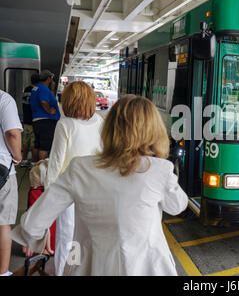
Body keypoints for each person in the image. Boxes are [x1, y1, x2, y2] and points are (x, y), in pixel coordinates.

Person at [11, 95, 188, 276]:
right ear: (155, 132)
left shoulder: (80, 168)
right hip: (148, 269)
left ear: (109, 129)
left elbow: (32, 224)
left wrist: (35, 240)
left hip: (90, 268)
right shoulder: (159, 169)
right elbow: (177, 206)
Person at [22, 81, 104, 276]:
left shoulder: (65, 125)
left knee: (66, 239)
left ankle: (62, 273)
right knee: (85, 239)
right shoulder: (99, 122)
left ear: (69, 101)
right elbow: (102, 155)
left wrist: (48, 198)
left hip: (68, 193)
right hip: (93, 190)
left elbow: (56, 165)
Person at [0, 89, 22, 276]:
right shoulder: (4, 100)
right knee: (3, 223)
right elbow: (12, 134)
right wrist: (18, 156)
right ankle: (2, 271)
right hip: (2, 169)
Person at [30, 70, 60, 160]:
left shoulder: (36, 88)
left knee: (37, 145)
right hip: (46, 121)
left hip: (37, 120)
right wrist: (49, 110)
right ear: (48, 78)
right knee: (45, 146)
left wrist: (52, 89)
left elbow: (45, 97)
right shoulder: (43, 88)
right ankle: (42, 169)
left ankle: (34, 164)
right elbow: (43, 101)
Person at [21, 73, 39, 165]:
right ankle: (33, 162)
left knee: (25, 141)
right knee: (33, 142)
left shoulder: (26, 90)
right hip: (33, 120)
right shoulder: (36, 91)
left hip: (25, 119)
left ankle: (23, 160)